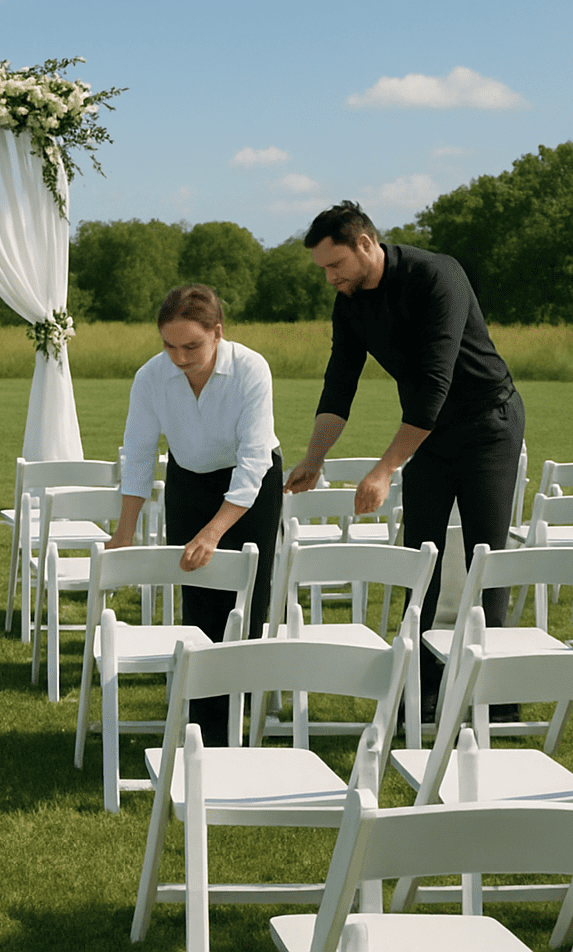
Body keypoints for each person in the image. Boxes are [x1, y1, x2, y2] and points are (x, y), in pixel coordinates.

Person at [285, 201, 524, 721]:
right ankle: (423, 690)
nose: (329, 278)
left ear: (366, 245)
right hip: (428, 437)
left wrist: (383, 468)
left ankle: (499, 696)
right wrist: (314, 457)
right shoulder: (349, 302)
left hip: (488, 424)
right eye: (323, 268)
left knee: (487, 554)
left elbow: (434, 385)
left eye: (334, 265)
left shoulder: (438, 276)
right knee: (423, 554)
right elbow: (339, 381)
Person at [104, 284, 283, 747]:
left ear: (217, 333)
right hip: (188, 479)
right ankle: (202, 728)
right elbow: (141, 453)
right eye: (169, 346)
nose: (179, 358)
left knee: (247, 603)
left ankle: (236, 730)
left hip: (251, 488)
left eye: (191, 346)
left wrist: (214, 531)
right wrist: (124, 530)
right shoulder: (150, 377)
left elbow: (253, 462)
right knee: (199, 602)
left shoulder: (250, 369)